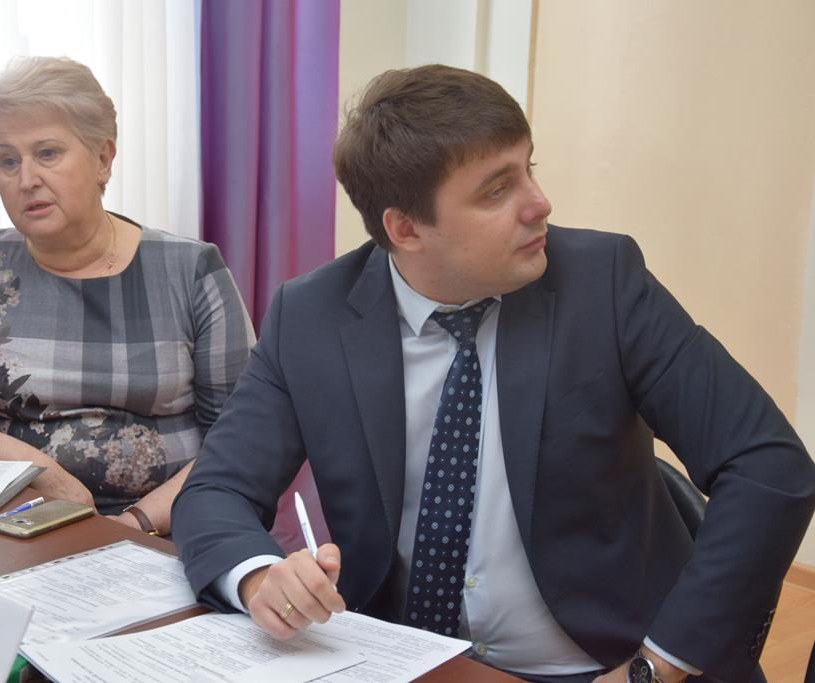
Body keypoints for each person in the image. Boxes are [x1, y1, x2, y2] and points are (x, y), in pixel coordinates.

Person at [172, 65, 815, 682]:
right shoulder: (312, 317)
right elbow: (217, 488)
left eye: (528, 169)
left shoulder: (605, 285)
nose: (539, 204)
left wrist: (655, 666)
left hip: (600, 663)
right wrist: (258, 576)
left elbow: (768, 467)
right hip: (407, 662)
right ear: (406, 228)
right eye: (496, 190)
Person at [0, 57, 254, 536]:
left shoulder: (190, 270)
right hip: (3, 526)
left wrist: (131, 525)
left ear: (103, 159)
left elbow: (241, 438)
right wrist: (38, 469)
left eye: (48, 153)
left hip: (161, 531)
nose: (26, 179)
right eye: (7, 161)